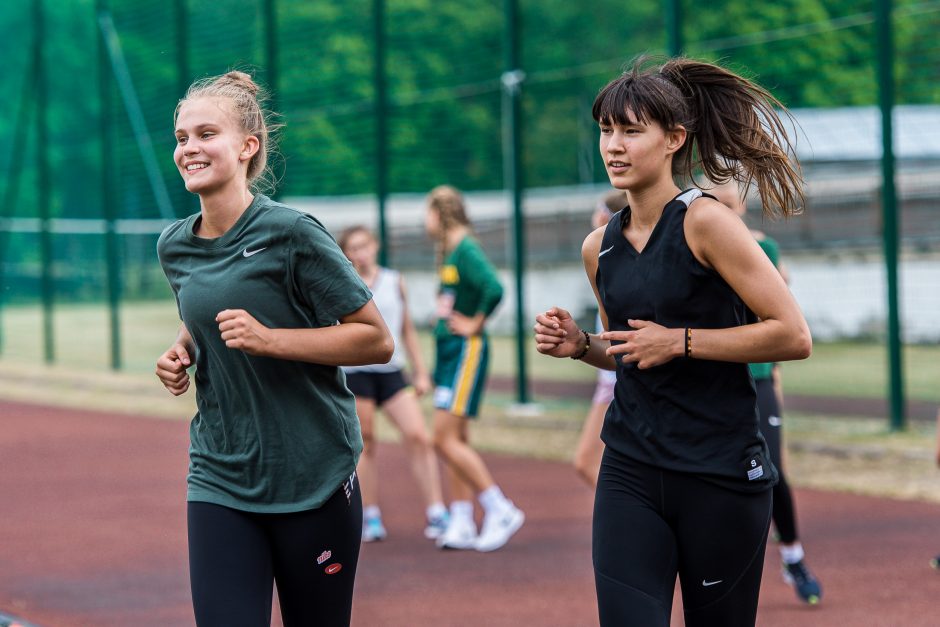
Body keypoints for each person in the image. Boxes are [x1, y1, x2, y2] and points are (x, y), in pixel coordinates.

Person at [534, 56, 812, 626]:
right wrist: (582, 344)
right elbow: (629, 349)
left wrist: (681, 342)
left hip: (718, 473)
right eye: (607, 130)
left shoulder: (707, 222)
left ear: (674, 139)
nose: (614, 145)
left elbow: (793, 334)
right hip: (631, 469)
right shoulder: (598, 246)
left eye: (632, 131)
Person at [155, 71, 393, 627]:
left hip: (312, 473)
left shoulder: (293, 233)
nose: (189, 148)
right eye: (182, 136)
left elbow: (375, 339)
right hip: (219, 473)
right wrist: (182, 348)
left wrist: (269, 340)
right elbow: (205, 311)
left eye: (206, 133)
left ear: (247, 146)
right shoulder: (174, 245)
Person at [710, 180, 823, 605]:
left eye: (728, 202)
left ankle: (793, 556)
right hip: (712, 376)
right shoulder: (692, 246)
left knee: (771, 470)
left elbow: (777, 316)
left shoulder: (763, 249)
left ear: (741, 206)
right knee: (714, 477)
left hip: (755, 375)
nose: (721, 210)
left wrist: (773, 373)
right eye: (712, 202)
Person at [424, 184, 525, 552]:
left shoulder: (465, 248)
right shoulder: (452, 250)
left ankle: (499, 508)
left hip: (465, 351)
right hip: (450, 352)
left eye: (428, 212)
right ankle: (462, 519)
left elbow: (494, 287)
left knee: (443, 438)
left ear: (440, 212)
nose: (425, 220)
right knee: (456, 440)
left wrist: (475, 323)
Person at [337, 225, 449, 543]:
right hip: (356, 371)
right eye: (353, 248)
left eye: (364, 245)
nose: (360, 252)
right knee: (367, 442)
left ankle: (437, 511)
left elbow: (407, 329)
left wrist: (422, 371)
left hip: (392, 371)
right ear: (346, 253)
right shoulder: (344, 282)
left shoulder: (394, 280)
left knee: (418, 436)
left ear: (375, 246)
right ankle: (369, 515)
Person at [573, 190, 624, 488]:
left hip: (617, 386)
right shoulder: (598, 257)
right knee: (593, 464)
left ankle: (629, 530)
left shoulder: (616, 263)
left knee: (588, 462)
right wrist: (578, 342)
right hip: (609, 383)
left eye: (597, 210)